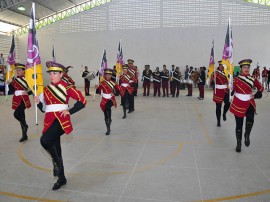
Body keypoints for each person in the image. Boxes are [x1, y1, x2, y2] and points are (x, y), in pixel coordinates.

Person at [34, 61, 86, 190]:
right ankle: (61, 178)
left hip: (62, 120)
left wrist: (69, 111)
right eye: (51, 73)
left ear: (61, 74)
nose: (52, 76)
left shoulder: (67, 87)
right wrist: (38, 103)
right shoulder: (46, 90)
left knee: (45, 140)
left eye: (55, 73)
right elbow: (43, 109)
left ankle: (55, 162)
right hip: (49, 120)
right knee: (56, 149)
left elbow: (82, 101)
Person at [230, 59, 264, 153]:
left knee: (250, 119)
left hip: (249, 102)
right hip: (238, 103)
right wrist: (230, 89)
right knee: (239, 125)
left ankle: (247, 134)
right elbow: (232, 91)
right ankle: (239, 144)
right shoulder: (235, 80)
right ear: (240, 69)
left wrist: (256, 95)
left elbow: (261, 88)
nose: (246, 69)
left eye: (248, 67)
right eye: (244, 67)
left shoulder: (253, 79)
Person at [8, 63, 31, 142]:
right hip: (16, 99)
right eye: (17, 70)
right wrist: (9, 83)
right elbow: (12, 90)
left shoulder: (27, 78)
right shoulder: (14, 78)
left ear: (23, 71)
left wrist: (28, 93)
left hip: (23, 99)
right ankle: (24, 135)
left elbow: (34, 88)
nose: (17, 71)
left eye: (19, 70)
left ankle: (25, 125)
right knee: (22, 116)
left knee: (16, 114)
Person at [95, 69, 120, 135]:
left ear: (111, 75)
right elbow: (98, 92)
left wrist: (114, 93)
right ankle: (108, 124)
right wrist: (97, 88)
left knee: (107, 108)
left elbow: (118, 91)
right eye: (106, 75)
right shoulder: (102, 83)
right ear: (105, 75)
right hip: (104, 99)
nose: (107, 76)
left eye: (109, 75)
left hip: (111, 99)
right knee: (106, 113)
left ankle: (108, 128)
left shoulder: (114, 83)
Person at [213, 61, 230, 127]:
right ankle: (218, 121)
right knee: (218, 107)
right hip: (218, 91)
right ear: (219, 65)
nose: (222, 67)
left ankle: (224, 113)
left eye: (223, 65)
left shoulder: (227, 72)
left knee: (228, 104)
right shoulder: (215, 73)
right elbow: (212, 81)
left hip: (226, 90)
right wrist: (213, 78)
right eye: (221, 65)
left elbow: (230, 80)